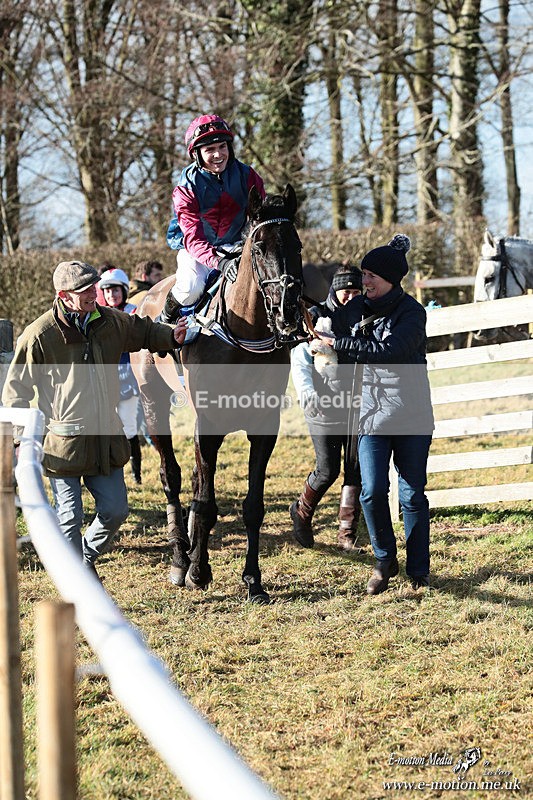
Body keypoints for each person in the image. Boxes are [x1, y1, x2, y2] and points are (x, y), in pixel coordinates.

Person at [2, 260, 187, 580]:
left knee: (116, 511)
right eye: (85, 290)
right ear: (64, 295)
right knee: (69, 520)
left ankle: (82, 558)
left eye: (94, 287)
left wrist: (173, 336)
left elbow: (144, 330)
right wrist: (20, 441)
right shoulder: (38, 336)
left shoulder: (112, 322)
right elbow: (14, 393)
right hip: (63, 447)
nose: (93, 293)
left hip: (107, 440)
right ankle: (79, 581)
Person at [315, 235, 434, 595]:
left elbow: (392, 350)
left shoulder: (412, 313)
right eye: (364, 274)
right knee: (370, 492)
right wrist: (317, 323)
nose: (363, 283)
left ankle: (418, 571)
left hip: (411, 415)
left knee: (412, 494)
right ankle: (384, 560)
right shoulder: (355, 310)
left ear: (391, 279)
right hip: (369, 415)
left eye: (370, 276)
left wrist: (341, 344)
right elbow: (329, 318)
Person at [159, 113, 266, 323]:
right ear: (196, 154)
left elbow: (260, 217)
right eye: (210, 150)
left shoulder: (248, 176)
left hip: (237, 243)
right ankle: (165, 320)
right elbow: (193, 239)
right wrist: (220, 262)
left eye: (222, 147)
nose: (218, 155)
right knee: (191, 287)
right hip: (196, 249)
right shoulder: (186, 188)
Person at [290, 267, 365, 551]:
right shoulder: (317, 319)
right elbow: (300, 359)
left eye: (357, 291)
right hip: (323, 403)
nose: (351, 297)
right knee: (327, 470)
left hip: (357, 403)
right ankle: (301, 511)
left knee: (355, 469)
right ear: (335, 291)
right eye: (347, 291)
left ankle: (347, 533)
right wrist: (307, 392)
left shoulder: (364, 318)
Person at [98, 267, 143, 484]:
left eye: (115, 291)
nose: (111, 296)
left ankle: (136, 474)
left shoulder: (134, 311)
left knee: (129, 427)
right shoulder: (99, 314)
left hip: (128, 375)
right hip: (106, 377)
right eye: (107, 292)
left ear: (124, 291)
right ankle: (111, 471)